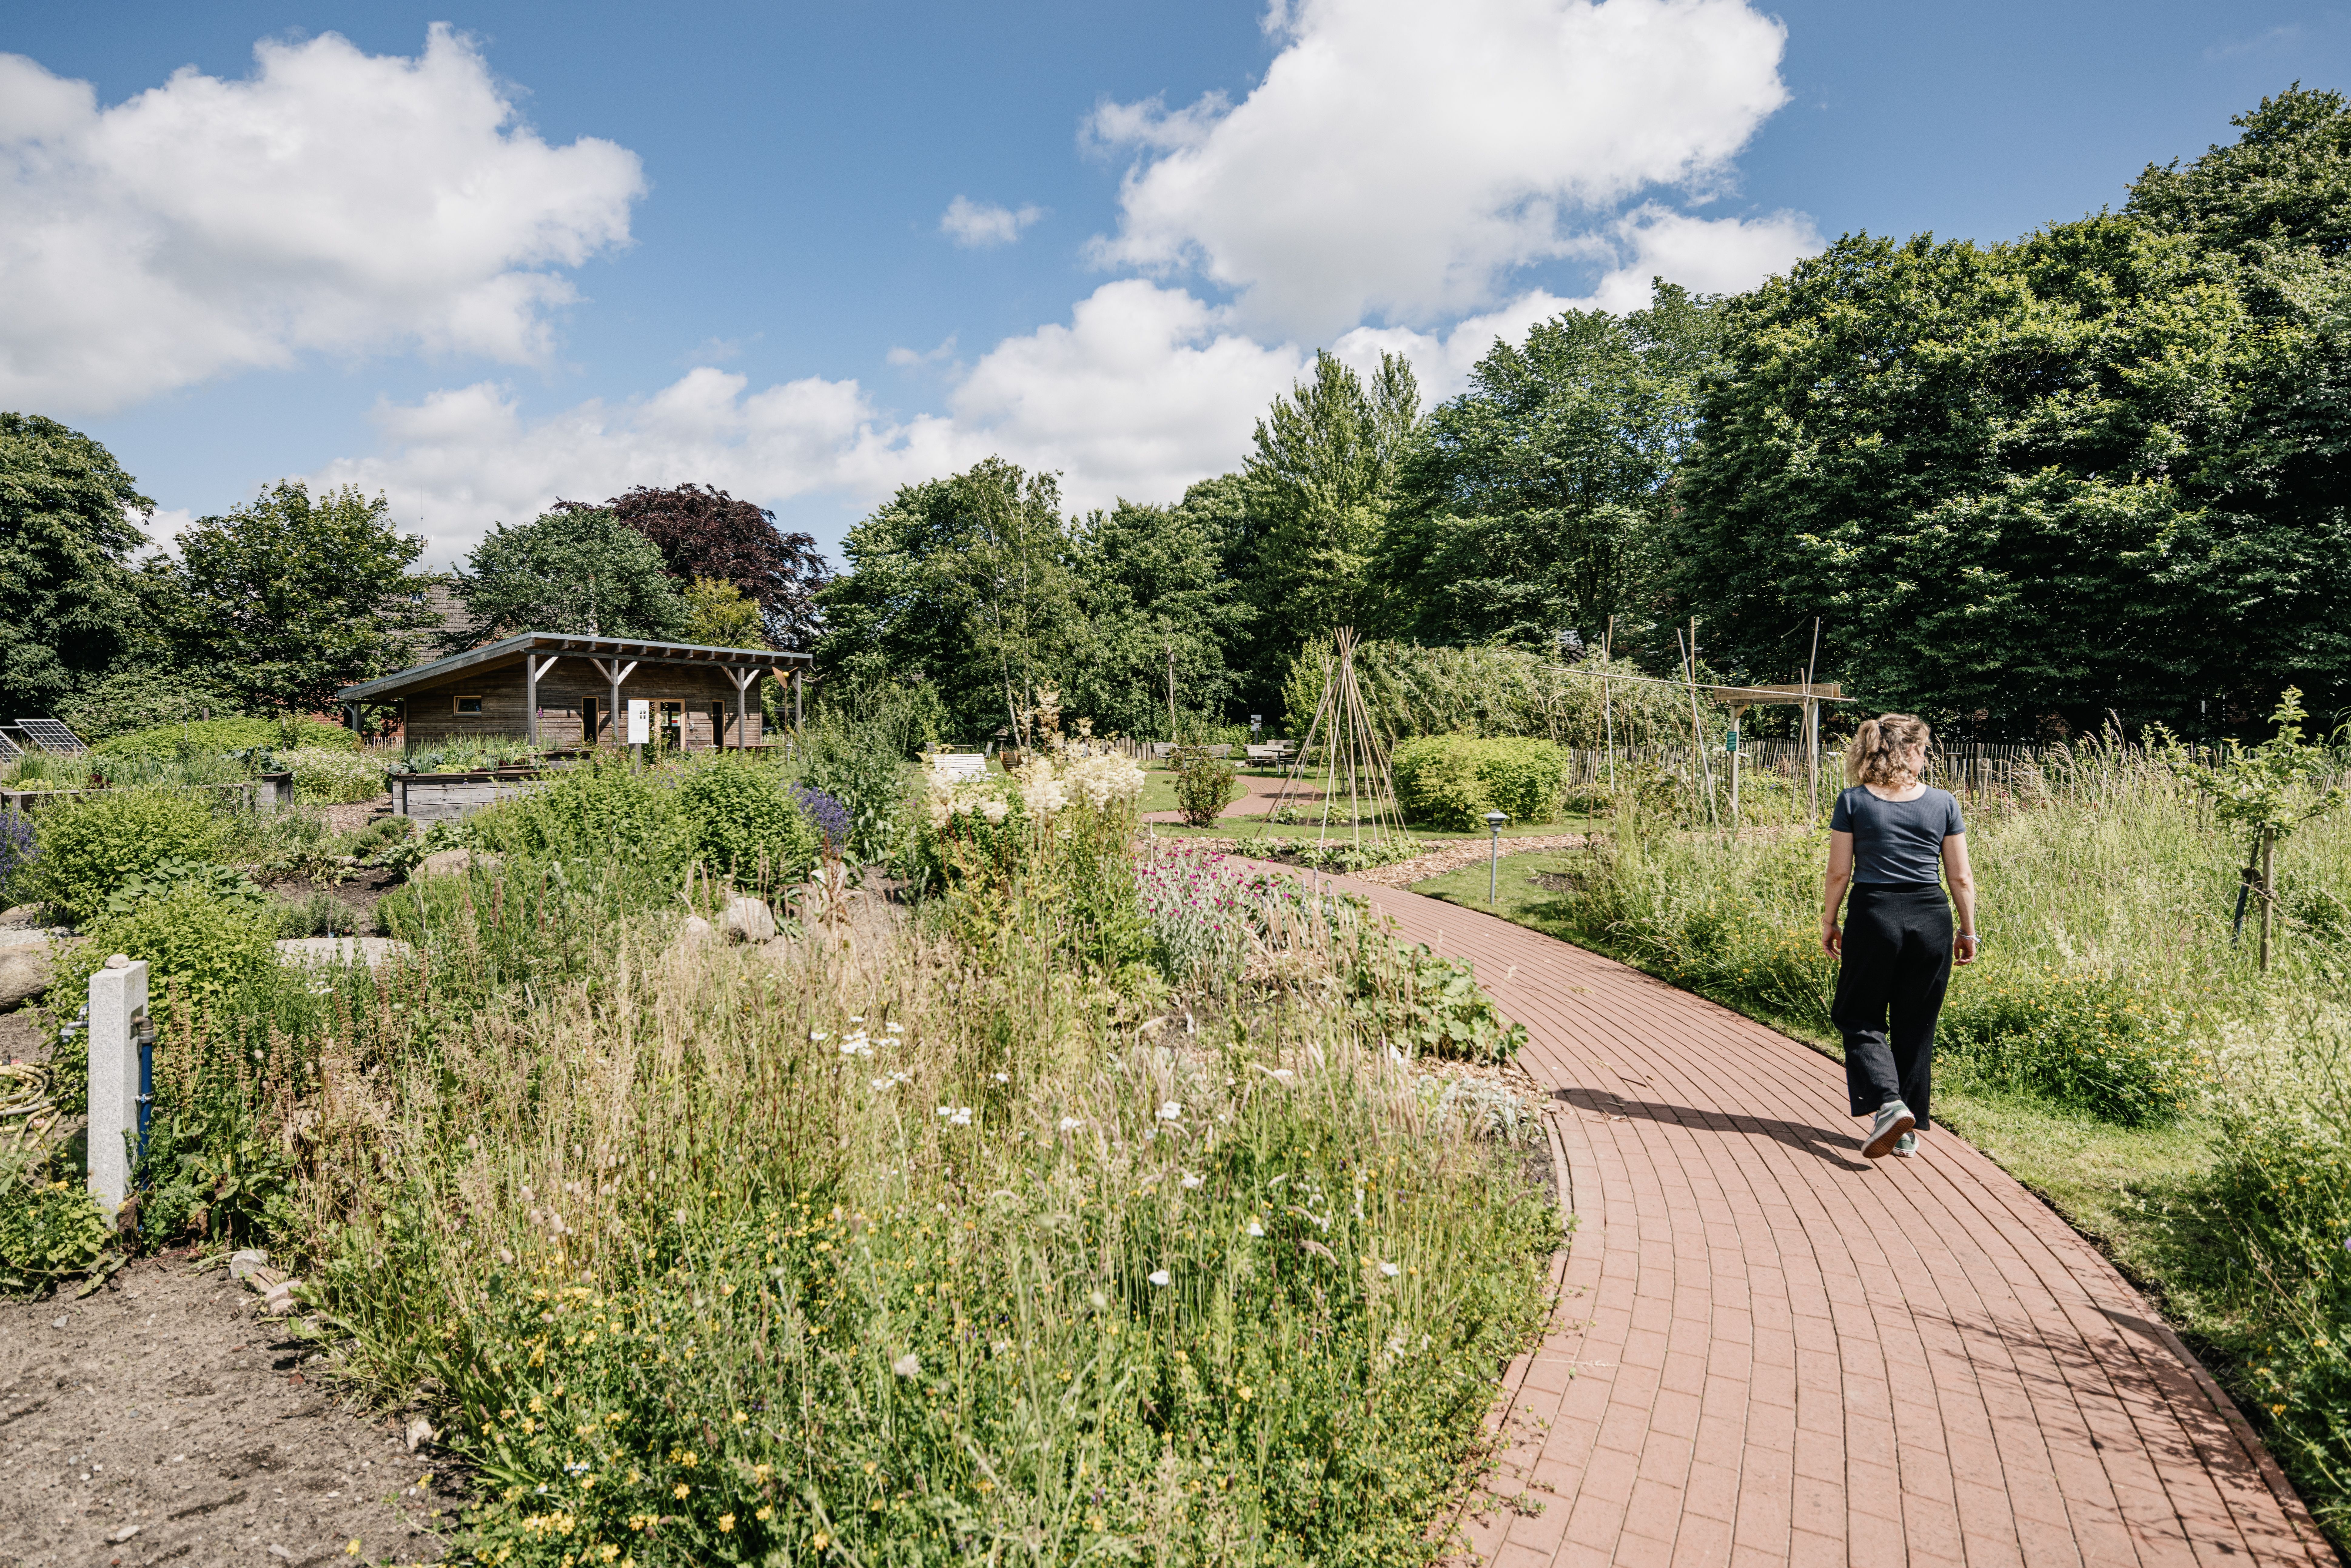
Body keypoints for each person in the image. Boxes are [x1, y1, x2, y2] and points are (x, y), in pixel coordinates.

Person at [1820, 713, 1979, 1160]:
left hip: (1874, 916)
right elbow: (1961, 877)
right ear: (1907, 751)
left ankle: (1890, 1105)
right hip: (1932, 918)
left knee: (1857, 1014)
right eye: (1923, 750)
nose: (1925, 757)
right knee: (1916, 1023)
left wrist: (1830, 921)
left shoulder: (1853, 801)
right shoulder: (1944, 803)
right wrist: (1968, 930)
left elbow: (1838, 873)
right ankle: (1906, 1130)